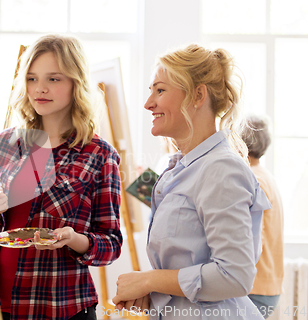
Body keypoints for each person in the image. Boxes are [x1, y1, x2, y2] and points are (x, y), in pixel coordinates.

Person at [112, 44, 271, 319]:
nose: (148, 103)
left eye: (160, 90)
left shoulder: (221, 169)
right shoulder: (181, 168)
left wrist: (150, 280)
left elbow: (235, 275)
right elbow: (193, 263)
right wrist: (157, 294)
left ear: (198, 95)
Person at [0, 34, 123, 320]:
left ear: (76, 83)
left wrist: (74, 239)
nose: (40, 89)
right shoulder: (6, 144)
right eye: (32, 79)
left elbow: (111, 244)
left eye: (54, 79)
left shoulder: (98, 155)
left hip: (63, 308)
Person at [241, 114, 284, 319]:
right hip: (267, 286)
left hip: (255, 289)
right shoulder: (265, 175)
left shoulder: (253, 179)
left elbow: (249, 239)